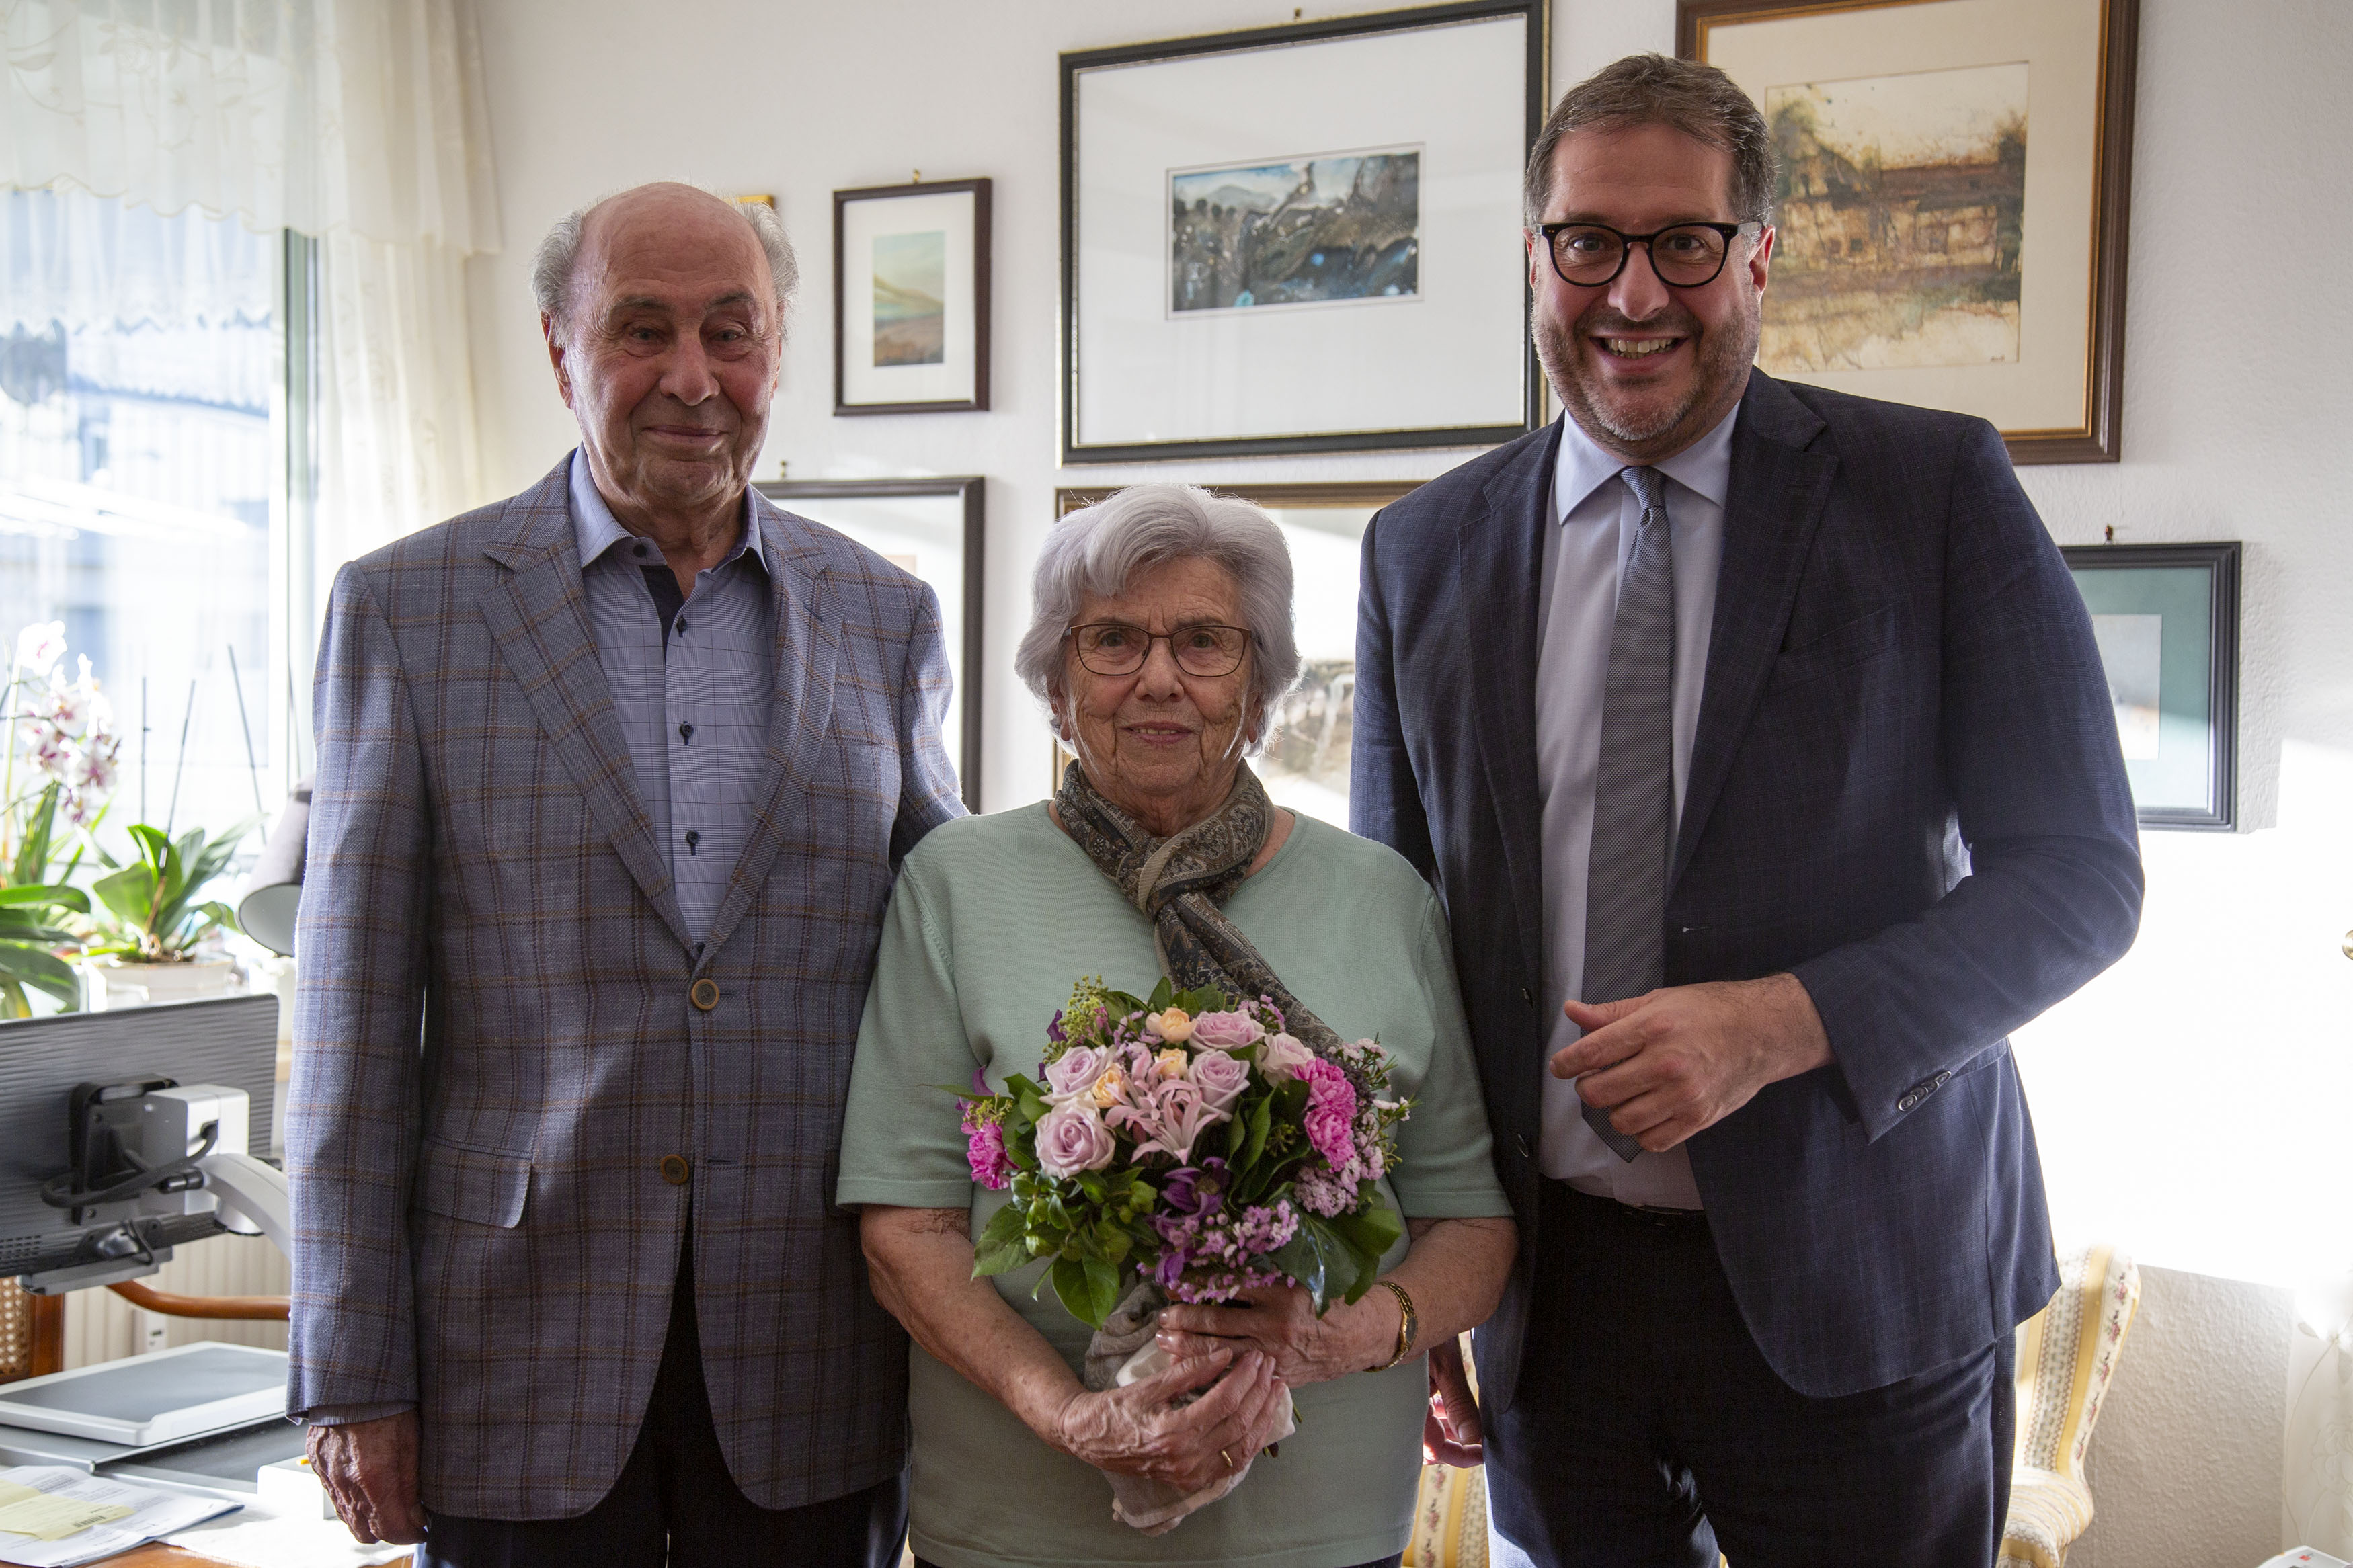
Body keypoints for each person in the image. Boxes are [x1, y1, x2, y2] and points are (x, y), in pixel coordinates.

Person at [1351, 54, 2143, 1568]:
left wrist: (1781, 1022)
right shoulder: (1421, 550)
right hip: (1549, 1311)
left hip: (1867, 1288)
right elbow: (1398, 945)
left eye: (1683, 244)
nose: (1630, 295)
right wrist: (1411, 1259)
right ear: (1534, 255)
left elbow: (2078, 880)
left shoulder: (1932, 490)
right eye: (1588, 240)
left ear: (1758, 256)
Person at [285, 181, 963, 1567]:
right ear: (560, 349)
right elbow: (352, 1027)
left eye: (733, 332)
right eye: (640, 330)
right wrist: (353, 1372)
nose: (691, 379)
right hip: (509, 1353)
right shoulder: (408, 608)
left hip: (810, 1355)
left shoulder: (883, 614)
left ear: (780, 348)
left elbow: (946, 941)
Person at [838, 483, 1519, 1568]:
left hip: (1320, 1516)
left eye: (1204, 640)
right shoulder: (955, 883)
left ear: (1258, 688)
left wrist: (1331, 1340)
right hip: (1023, 1512)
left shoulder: (1384, 896)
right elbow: (904, 1227)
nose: (1159, 676)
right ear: (1058, 686)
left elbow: (1471, 1228)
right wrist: (1069, 1411)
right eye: (1112, 639)